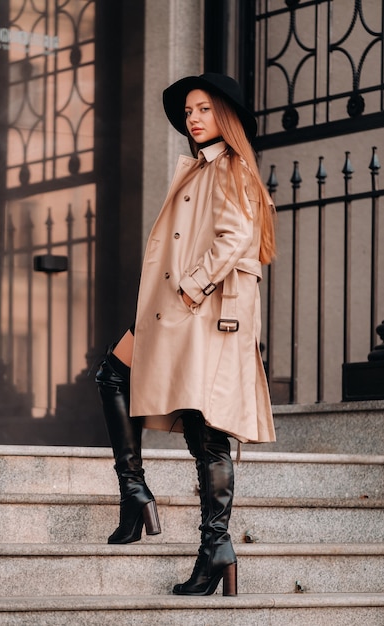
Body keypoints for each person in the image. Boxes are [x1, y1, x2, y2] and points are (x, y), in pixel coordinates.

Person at [95, 72, 276, 597]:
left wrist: (192, 288)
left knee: (207, 429)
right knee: (113, 372)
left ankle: (215, 546)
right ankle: (134, 493)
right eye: (189, 112)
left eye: (204, 109)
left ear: (226, 114)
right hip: (177, 312)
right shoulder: (200, 168)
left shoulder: (232, 168)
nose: (194, 118)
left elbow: (237, 236)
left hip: (200, 312)